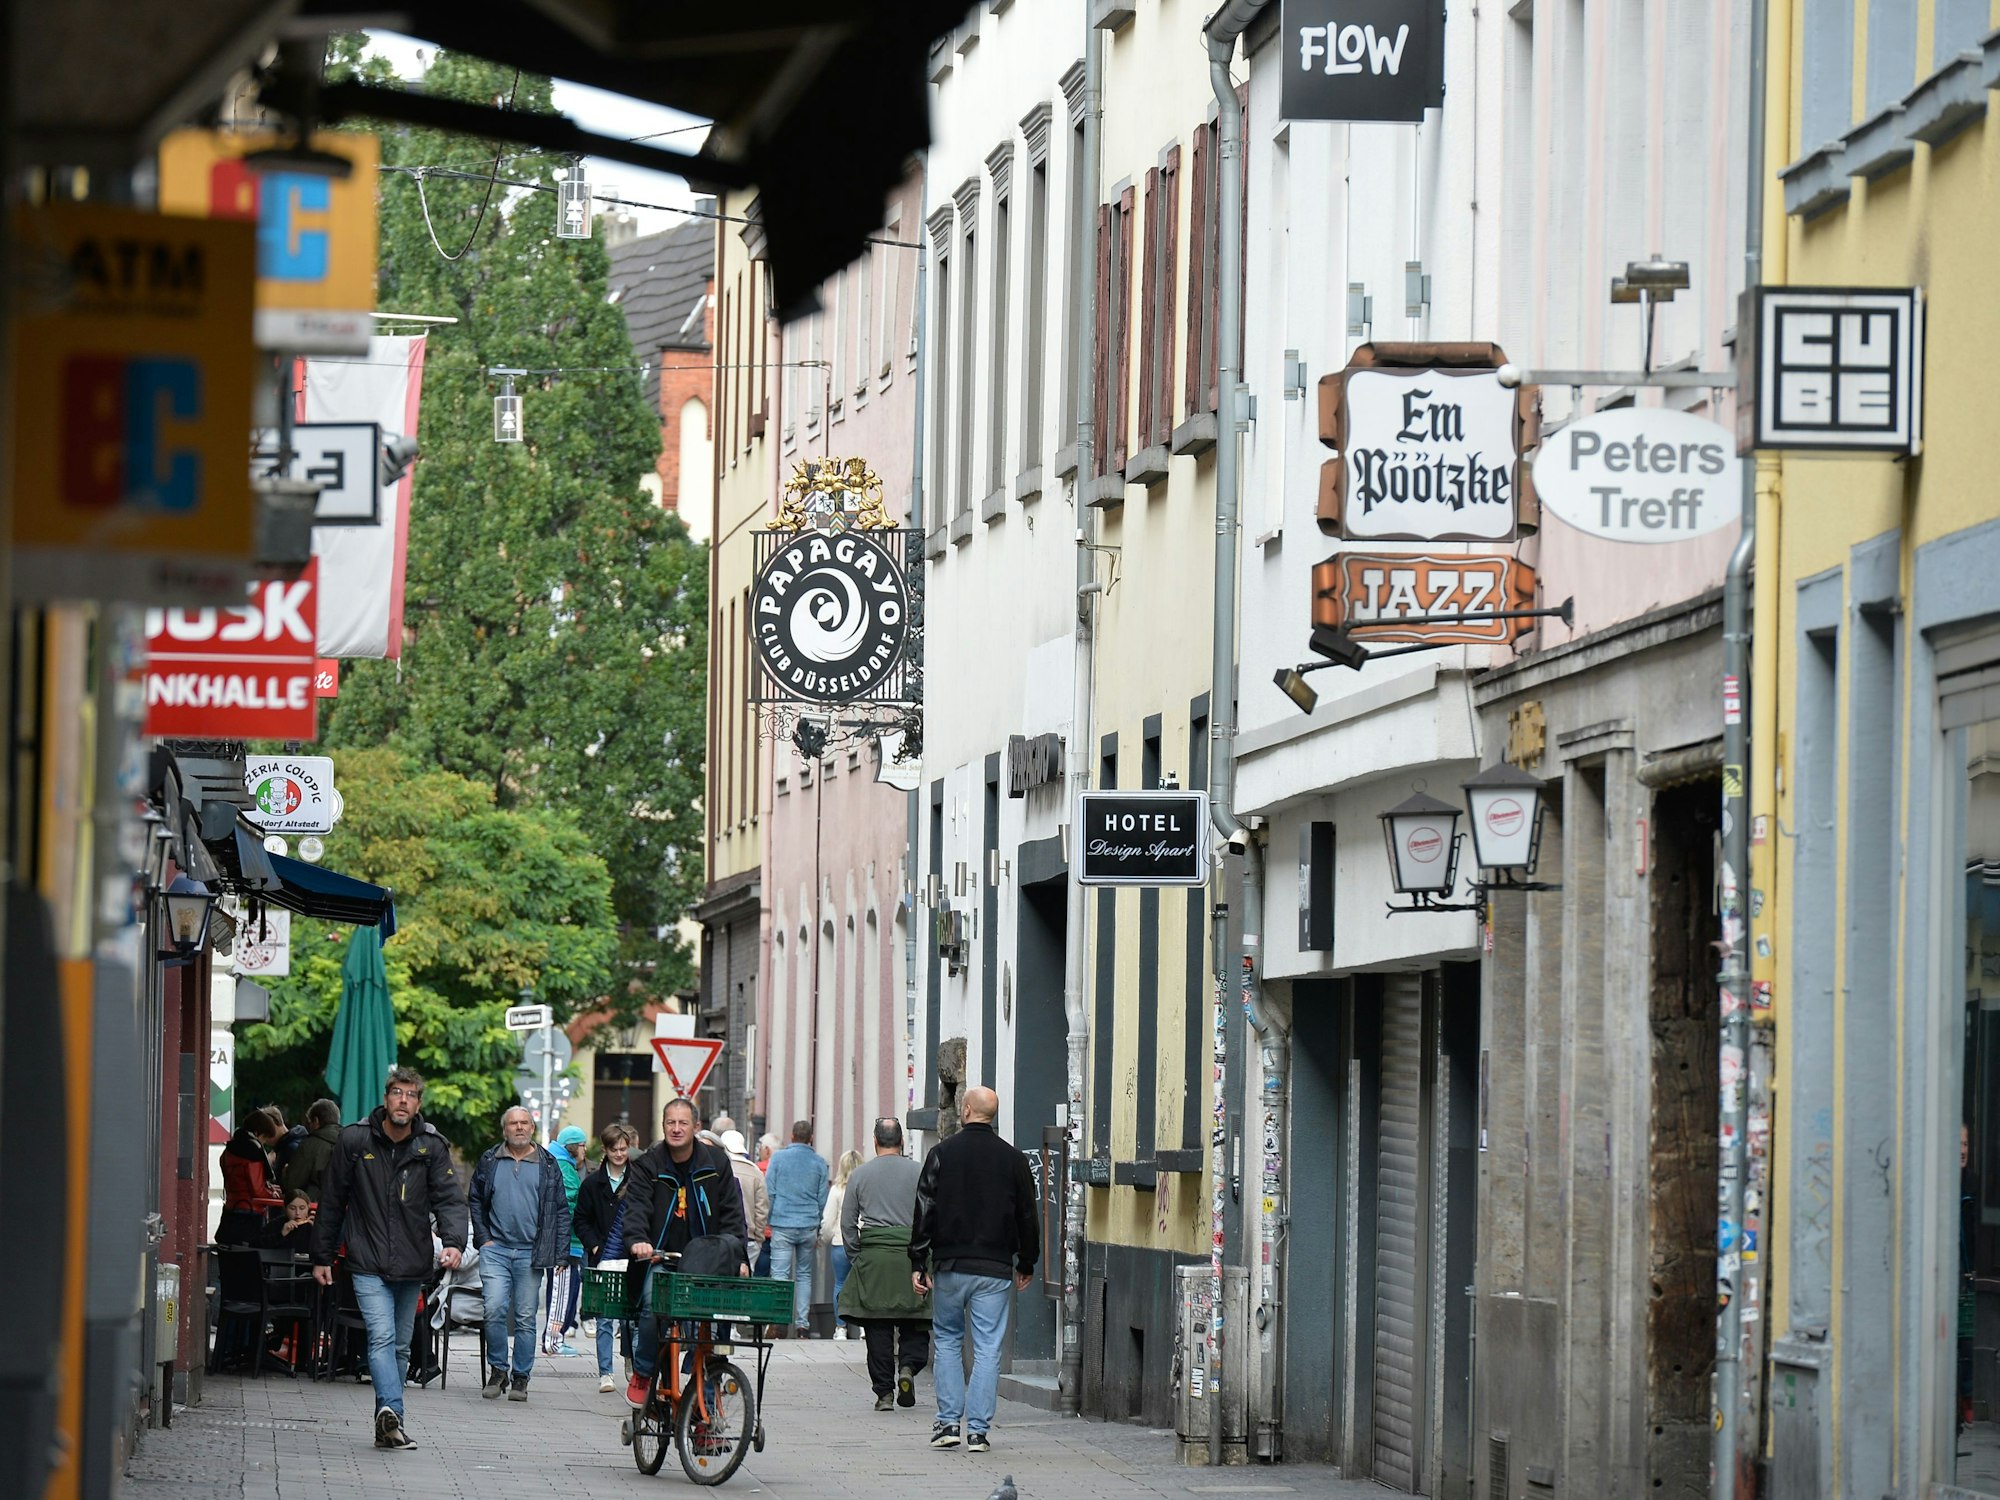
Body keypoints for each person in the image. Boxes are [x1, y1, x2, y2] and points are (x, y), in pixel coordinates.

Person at [310, 1067, 467, 1453]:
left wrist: (454, 1242)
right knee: (381, 1338)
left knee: (399, 1346)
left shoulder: (430, 1145)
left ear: (418, 1104)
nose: (403, 1100)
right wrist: (322, 1256)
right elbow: (332, 1201)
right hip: (366, 1258)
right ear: (386, 1097)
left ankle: (388, 1425)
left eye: (411, 1095)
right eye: (397, 1092)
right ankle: (392, 1410)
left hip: (413, 1261)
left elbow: (449, 1198)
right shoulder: (354, 1139)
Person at [909, 1087, 1039, 1454]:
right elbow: (1027, 1214)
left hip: (950, 1264)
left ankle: (949, 1422)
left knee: (948, 1340)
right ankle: (978, 1431)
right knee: (987, 1348)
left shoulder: (941, 1154)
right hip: (995, 1268)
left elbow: (924, 1208)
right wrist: (1026, 1260)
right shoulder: (1013, 1160)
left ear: (965, 1110)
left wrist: (919, 1261)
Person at [619, 1097, 748, 1408]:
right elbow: (636, 1207)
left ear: (696, 1127)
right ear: (663, 1126)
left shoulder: (715, 1163)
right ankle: (645, 1371)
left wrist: (739, 1258)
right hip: (661, 1258)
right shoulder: (649, 1164)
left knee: (712, 1329)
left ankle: (703, 1408)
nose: (676, 1129)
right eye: (670, 1123)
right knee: (652, 1305)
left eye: (683, 1123)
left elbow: (733, 1214)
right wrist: (638, 1240)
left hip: (708, 1262)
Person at [467, 1106, 573, 1402]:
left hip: (530, 1252)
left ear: (532, 1127)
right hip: (496, 1249)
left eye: (524, 1123)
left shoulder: (548, 1164)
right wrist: (484, 1238)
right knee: (494, 1308)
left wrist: (560, 1255)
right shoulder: (490, 1160)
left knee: (526, 1316)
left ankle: (521, 1376)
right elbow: (474, 1199)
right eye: (513, 1123)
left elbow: (561, 1211)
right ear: (505, 1129)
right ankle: (498, 1369)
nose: (519, 1128)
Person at [837, 1118, 932, 1412]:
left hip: (874, 1257)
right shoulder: (919, 1171)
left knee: (877, 1325)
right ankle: (908, 1367)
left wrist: (858, 1256)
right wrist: (927, 1256)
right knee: (915, 1320)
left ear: (875, 1142)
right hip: (911, 1255)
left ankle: (884, 1393)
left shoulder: (860, 1175)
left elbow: (847, 1222)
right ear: (902, 1142)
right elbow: (930, 1214)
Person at [576, 1122, 639, 1393]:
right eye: (614, 1149)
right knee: (604, 1318)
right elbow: (580, 1219)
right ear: (605, 1149)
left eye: (624, 1149)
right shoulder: (592, 1184)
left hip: (633, 1256)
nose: (619, 1154)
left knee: (632, 1318)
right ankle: (605, 1372)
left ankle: (632, 1362)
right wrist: (594, 1247)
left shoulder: (638, 1180)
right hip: (602, 1256)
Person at [765, 1120, 829, 1337]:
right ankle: (802, 1325)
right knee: (804, 1275)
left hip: (782, 1222)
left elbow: (770, 1192)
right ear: (810, 1138)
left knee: (780, 1274)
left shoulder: (778, 1159)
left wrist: (768, 1218)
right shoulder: (820, 1163)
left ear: (792, 1136)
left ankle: (778, 1322)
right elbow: (822, 1199)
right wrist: (818, 1223)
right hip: (808, 1224)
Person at [543, 1124, 588, 1357]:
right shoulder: (566, 1169)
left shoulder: (562, 1165)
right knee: (560, 1294)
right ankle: (553, 1341)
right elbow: (568, 1207)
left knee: (564, 1293)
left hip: (567, 1243)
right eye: (582, 1145)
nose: (585, 1150)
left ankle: (556, 1338)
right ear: (572, 1146)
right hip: (566, 1244)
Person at [218, 1107, 285, 1245]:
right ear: (257, 1133)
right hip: (249, 1213)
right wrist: (272, 1194)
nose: (264, 1143)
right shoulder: (252, 1154)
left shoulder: (228, 1151)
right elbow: (257, 1190)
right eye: (264, 1138)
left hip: (230, 1208)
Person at [719, 1129, 769, 1270]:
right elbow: (762, 1210)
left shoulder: (721, 1169)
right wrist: (759, 1239)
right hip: (750, 1238)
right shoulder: (755, 1172)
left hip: (724, 1237)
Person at [825, 1149, 863, 1327]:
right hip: (863, 1243)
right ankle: (864, 1328)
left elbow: (828, 1219)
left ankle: (840, 1328)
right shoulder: (865, 1187)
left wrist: (826, 1237)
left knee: (840, 1284)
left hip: (840, 1243)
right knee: (863, 1285)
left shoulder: (836, 1190)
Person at [282, 1098, 341, 1201]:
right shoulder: (350, 1140)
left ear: (316, 1121)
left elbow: (293, 1183)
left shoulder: (310, 1144)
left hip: (314, 1207)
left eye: (309, 1122)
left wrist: (285, 1173)